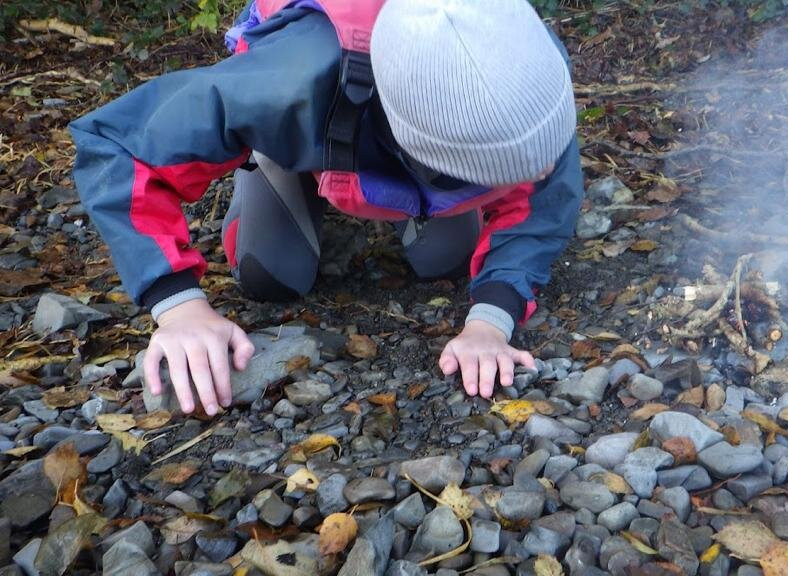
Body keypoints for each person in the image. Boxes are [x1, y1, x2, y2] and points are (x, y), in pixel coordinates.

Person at [69, 0, 584, 416]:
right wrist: (177, 306)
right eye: (513, 168)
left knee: (447, 262)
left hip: (404, 130)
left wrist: (489, 323)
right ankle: (284, 161)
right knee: (271, 277)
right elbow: (118, 143)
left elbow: (546, 199)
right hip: (321, 104)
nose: (540, 173)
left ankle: (418, 193)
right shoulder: (286, 81)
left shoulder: (520, 55)